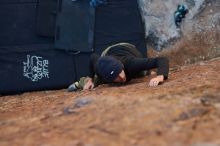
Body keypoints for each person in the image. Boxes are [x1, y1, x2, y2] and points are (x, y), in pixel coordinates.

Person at [68, 42, 169, 91]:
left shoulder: (131, 64)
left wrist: (161, 76)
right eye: (115, 77)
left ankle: (145, 71)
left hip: (127, 48)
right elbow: (93, 57)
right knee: (96, 81)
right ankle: (80, 83)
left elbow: (162, 60)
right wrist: (90, 78)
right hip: (108, 55)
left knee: (141, 73)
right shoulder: (100, 67)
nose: (121, 78)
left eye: (119, 72)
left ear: (121, 66)